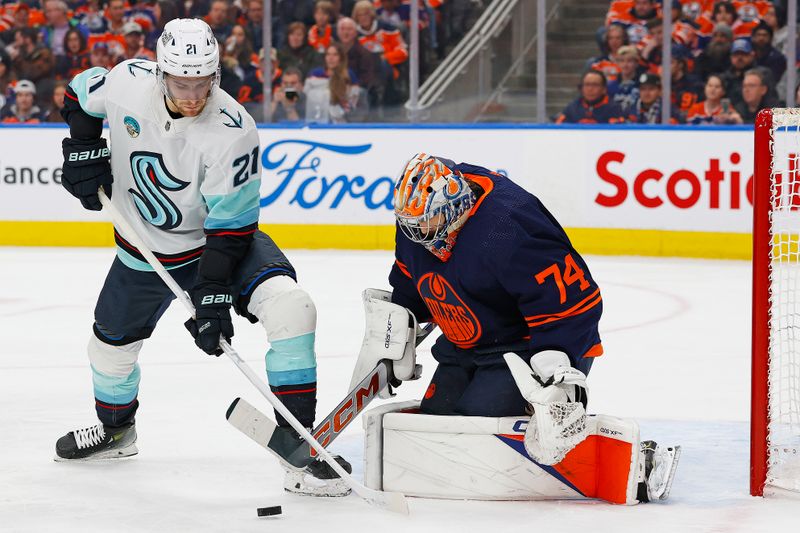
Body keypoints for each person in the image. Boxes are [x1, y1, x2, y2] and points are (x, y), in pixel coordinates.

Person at [53, 18, 351, 498]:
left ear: (216, 75)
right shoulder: (128, 82)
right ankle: (115, 433)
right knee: (107, 353)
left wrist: (212, 296)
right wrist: (83, 148)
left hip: (217, 245)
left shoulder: (234, 130)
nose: (192, 94)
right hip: (142, 253)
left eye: (202, 82)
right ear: (159, 73)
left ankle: (302, 446)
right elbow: (78, 95)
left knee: (293, 309)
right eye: (180, 82)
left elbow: (231, 227)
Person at [554, 70, 626, 124]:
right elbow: (558, 127)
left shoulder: (614, 108)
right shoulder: (573, 107)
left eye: (595, 85)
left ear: (604, 89)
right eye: (587, 85)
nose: (590, 89)